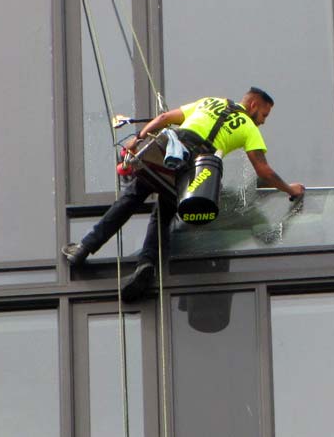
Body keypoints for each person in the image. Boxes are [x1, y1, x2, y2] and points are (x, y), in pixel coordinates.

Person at [62, 87, 304, 299]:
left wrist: (138, 139)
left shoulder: (210, 101)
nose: (263, 121)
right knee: (163, 214)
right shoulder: (249, 128)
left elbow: (166, 118)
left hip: (170, 151)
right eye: (264, 114)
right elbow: (264, 171)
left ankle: (84, 247)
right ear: (253, 105)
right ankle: (145, 263)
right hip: (195, 170)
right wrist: (290, 190)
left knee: (132, 197)